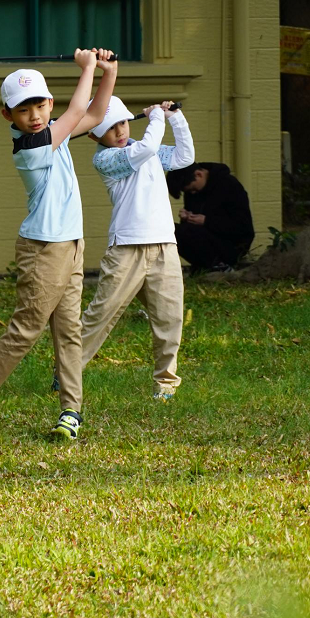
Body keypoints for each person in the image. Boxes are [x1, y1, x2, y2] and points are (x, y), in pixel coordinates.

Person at [0, 49, 118, 444]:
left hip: (71, 245)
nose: (35, 115)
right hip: (44, 249)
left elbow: (94, 115)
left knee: (69, 331)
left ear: (49, 103)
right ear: (8, 116)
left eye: (40, 105)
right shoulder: (31, 146)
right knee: (27, 330)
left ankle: (71, 411)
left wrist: (109, 73)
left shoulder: (52, 130)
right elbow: (80, 112)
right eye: (24, 109)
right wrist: (88, 67)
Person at [78, 98, 195, 400]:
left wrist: (175, 118)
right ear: (93, 135)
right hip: (126, 249)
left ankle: (166, 384)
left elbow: (184, 157)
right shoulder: (105, 159)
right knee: (100, 314)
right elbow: (144, 150)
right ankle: (66, 371)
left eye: (122, 123)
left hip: (164, 246)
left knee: (170, 318)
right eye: (109, 128)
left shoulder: (151, 151)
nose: (118, 131)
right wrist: (156, 117)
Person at [166, 162, 254, 273]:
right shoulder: (192, 191)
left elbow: (242, 228)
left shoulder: (230, 186)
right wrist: (187, 218)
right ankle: (204, 265)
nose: (192, 193)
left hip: (232, 244)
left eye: (193, 190)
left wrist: (206, 221)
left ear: (199, 174)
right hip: (207, 238)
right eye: (188, 192)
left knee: (189, 232)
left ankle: (221, 266)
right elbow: (189, 230)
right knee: (171, 231)